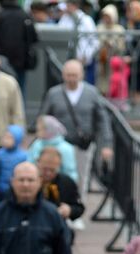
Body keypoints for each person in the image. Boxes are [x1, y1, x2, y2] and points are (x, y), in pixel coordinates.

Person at [38, 58, 114, 189]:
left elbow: (103, 120)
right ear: (63, 75)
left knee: (81, 177)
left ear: (81, 75)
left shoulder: (92, 93)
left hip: (82, 145)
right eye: (68, 75)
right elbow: (43, 118)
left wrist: (106, 145)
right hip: (58, 145)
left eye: (74, 75)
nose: (71, 79)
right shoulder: (53, 93)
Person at [0, 0, 40, 88]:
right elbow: (34, 38)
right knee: (19, 89)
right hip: (21, 60)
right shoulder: (25, 15)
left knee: (1, 88)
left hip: (1, 61)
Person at [36, 146, 85, 231]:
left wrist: (69, 210)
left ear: (59, 166)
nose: (48, 173)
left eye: (52, 170)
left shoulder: (66, 182)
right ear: (38, 163)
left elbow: (79, 207)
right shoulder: (30, 181)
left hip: (57, 227)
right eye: (44, 169)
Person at [28, 115, 79, 183]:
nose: (37, 132)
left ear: (49, 129)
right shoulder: (36, 144)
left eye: (40, 129)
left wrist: (69, 186)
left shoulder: (66, 148)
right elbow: (30, 163)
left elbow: (70, 171)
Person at [0, 123, 28, 200]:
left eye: (9, 138)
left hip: (16, 189)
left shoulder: (24, 156)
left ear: (17, 139)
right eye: (5, 137)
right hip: (1, 189)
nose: (6, 140)